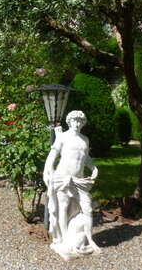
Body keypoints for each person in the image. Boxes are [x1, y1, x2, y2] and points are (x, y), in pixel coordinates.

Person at [43, 110, 101, 259]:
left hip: (79, 180)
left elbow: (85, 157)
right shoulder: (62, 137)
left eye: (80, 121)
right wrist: (47, 171)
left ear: (83, 123)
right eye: (74, 121)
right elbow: (52, 156)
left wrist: (94, 167)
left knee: (86, 208)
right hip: (63, 177)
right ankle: (64, 240)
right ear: (69, 122)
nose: (77, 123)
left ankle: (89, 239)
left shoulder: (85, 139)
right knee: (63, 208)